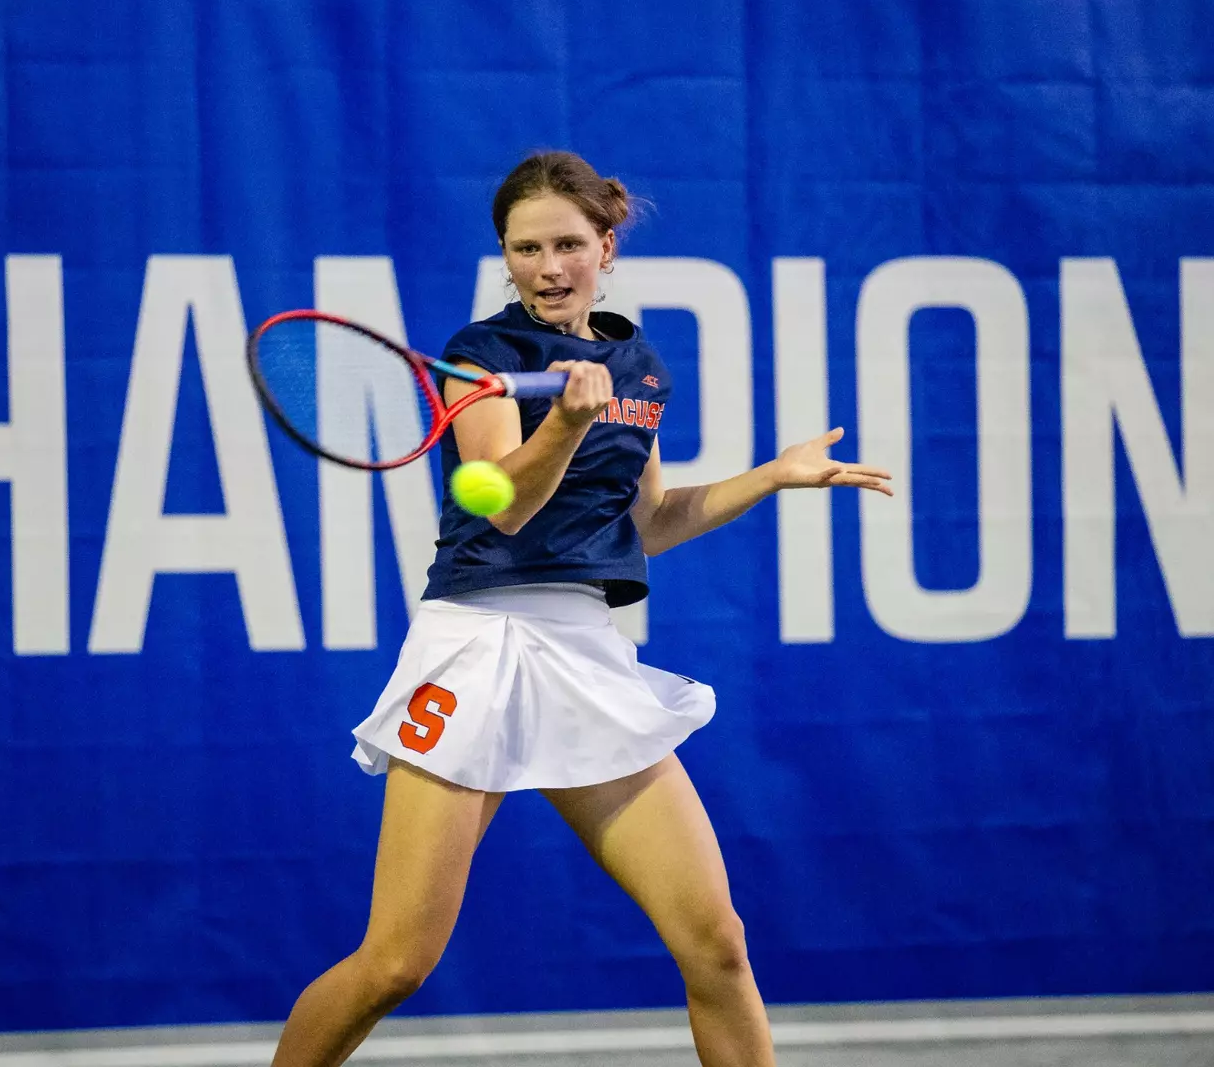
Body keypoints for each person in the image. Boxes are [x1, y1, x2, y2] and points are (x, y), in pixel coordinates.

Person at [271, 151, 892, 1067]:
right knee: (398, 961)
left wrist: (775, 475)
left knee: (715, 943)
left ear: (606, 245)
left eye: (568, 244)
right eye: (525, 250)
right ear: (506, 258)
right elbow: (507, 504)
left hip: (584, 651)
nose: (548, 267)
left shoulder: (635, 365)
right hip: (478, 646)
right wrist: (562, 421)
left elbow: (650, 519)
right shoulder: (481, 358)